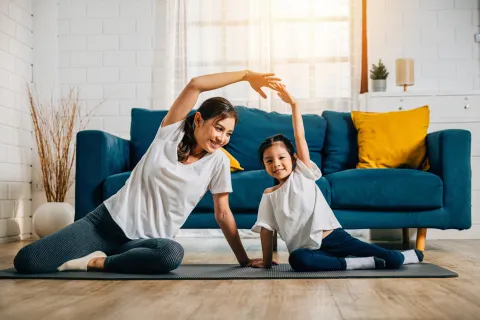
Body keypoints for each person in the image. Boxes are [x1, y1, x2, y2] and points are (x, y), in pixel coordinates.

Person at [14, 70, 282, 274]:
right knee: (27, 261)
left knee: (170, 254)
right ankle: (105, 253)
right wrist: (247, 75)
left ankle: (97, 262)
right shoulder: (171, 132)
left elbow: (223, 214)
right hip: (104, 224)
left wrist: (244, 260)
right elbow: (195, 84)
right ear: (198, 119)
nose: (222, 138)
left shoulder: (218, 163)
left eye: (228, 133)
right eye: (218, 128)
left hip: (144, 243)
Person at [251, 83, 424, 271]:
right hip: (309, 251)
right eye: (269, 161)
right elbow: (266, 230)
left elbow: (300, 137)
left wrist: (294, 105)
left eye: (281, 158)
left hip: (335, 238)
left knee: (393, 261)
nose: (276, 164)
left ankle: (404, 256)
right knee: (297, 260)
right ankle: (359, 263)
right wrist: (267, 262)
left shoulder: (302, 173)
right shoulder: (269, 195)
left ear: (294, 159)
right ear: (264, 166)